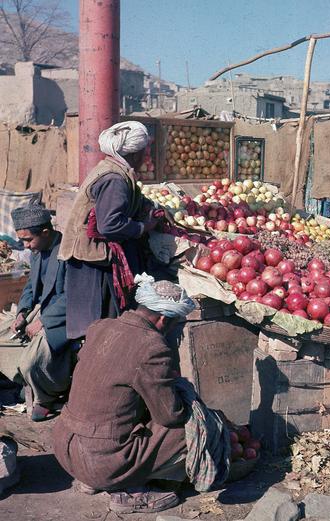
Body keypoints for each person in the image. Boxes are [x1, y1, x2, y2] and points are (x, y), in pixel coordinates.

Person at [53, 276, 198, 514]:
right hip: (100, 462)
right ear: (163, 319)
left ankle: (95, 478)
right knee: (191, 428)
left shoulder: (100, 327)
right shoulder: (153, 348)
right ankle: (130, 490)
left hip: (65, 447)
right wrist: (182, 392)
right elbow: (170, 416)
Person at [58, 121, 158, 341]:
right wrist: (143, 227)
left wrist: (147, 205)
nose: (146, 155)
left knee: (99, 325)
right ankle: (96, 365)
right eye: (145, 150)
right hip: (92, 260)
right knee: (99, 325)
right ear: (136, 153)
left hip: (93, 255)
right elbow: (110, 224)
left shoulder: (114, 169)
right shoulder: (114, 179)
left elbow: (125, 202)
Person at [6, 205, 72, 421]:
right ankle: (21, 379)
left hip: (64, 317)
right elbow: (31, 288)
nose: (25, 246)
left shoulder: (68, 252)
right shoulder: (37, 251)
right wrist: (23, 312)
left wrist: (43, 321)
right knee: (4, 333)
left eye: (28, 240)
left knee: (31, 362)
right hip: (41, 310)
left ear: (45, 232)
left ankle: (47, 397)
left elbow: (72, 297)